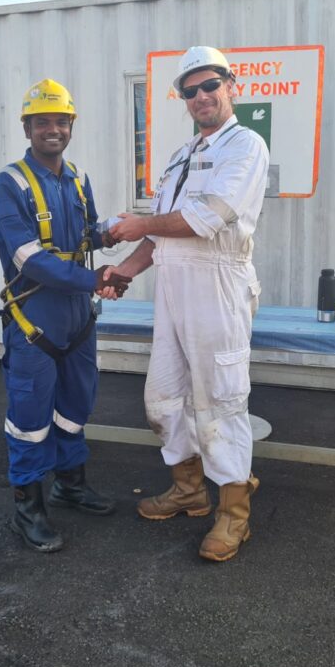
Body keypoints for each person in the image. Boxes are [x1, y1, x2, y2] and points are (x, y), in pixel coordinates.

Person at [108, 46, 269, 562]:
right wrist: (124, 271)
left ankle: (233, 515)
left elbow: (207, 219)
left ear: (231, 87)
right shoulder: (179, 156)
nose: (201, 96)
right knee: (165, 398)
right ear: (182, 99)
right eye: (190, 90)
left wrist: (140, 223)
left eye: (210, 85)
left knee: (221, 400)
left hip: (218, 286)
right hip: (174, 289)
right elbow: (160, 239)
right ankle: (188, 489)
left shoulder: (245, 146)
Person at [0, 78, 131, 553]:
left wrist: (110, 232)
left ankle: (69, 484)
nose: (53, 129)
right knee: (29, 416)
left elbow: (84, 234)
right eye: (43, 122)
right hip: (35, 321)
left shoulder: (77, 178)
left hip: (77, 319)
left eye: (61, 121)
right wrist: (97, 281)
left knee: (74, 408)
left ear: (71, 126)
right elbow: (28, 257)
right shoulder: (9, 184)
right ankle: (27, 511)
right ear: (28, 128)